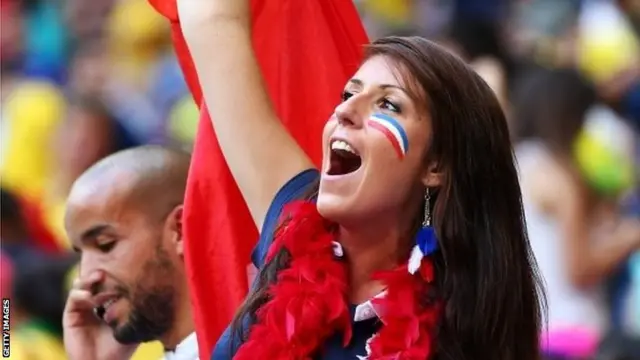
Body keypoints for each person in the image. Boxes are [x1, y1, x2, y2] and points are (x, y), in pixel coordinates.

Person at [178, 0, 545, 359]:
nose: (344, 110)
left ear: (436, 166)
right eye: (349, 93)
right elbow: (213, 24)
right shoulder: (293, 230)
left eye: (388, 105)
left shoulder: (461, 338)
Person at [514, 68, 640, 359]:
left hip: (529, 330)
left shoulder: (516, 162)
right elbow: (580, 269)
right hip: (569, 333)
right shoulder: (558, 176)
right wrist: (631, 236)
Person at [62, 145, 198, 360]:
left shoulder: (260, 345)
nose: (85, 276)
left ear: (180, 229)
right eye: (80, 255)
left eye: (105, 244)